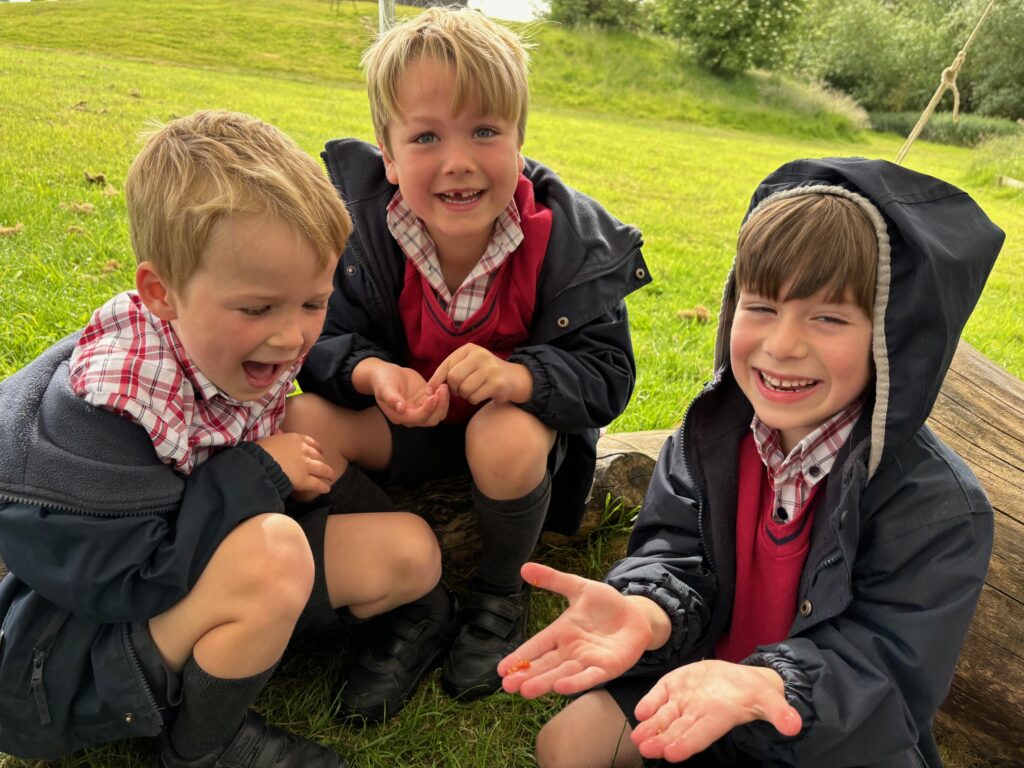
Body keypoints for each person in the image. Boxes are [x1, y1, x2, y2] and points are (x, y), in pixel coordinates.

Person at [498, 158, 1005, 768]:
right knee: (567, 744)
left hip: (822, 734)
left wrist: (765, 685)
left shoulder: (940, 507)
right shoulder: (710, 436)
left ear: (889, 337)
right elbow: (677, 554)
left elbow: (891, 671)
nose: (783, 344)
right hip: (695, 687)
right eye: (762, 307)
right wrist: (648, 610)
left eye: (828, 318)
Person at [0, 110, 443, 767]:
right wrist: (262, 472)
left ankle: (260, 641)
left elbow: (298, 369)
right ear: (161, 293)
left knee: (410, 552)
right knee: (275, 553)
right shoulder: (107, 415)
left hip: (186, 571)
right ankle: (204, 748)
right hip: (54, 668)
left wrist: (366, 374)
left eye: (312, 303)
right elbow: (136, 581)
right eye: (260, 308)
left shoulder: (224, 336)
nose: (292, 335)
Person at [285, 7, 651, 719]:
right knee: (301, 420)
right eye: (425, 137)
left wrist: (521, 378)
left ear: (519, 141)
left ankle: (496, 593)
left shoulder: (569, 241)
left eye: (485, 130)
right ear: (388, 156)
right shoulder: (358, 230)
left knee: (502, 431)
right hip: (405, 426)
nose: (458, 161)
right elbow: (317, 337)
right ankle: (415, 600)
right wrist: (371, 375)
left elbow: (608, 373)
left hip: (510, 441)